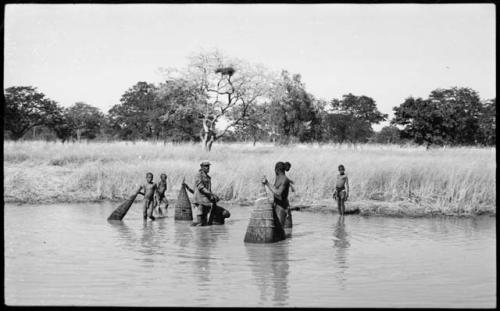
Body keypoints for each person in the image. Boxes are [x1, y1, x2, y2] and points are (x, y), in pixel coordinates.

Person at [262, 162, 291, 227]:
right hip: (279, 207)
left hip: (282, 209)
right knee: (284, 233)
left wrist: (267, 183)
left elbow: (278, 192)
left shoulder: (284, 179)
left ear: (276, 170)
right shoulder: (279, 177)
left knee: (280, 233)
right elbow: (275, 188)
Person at [191, 161, 219, 226]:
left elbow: (208, 189)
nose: (208, 168)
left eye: (208, 166)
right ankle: (198, 230)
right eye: (206, 166)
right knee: (200, 215)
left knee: (205, 219)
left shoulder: (208, 177)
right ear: (202, 167)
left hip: (206, 199)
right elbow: (201, 187)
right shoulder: (198, 175)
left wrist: (213, 195)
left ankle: (202, 232)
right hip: (199, 198)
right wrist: (211, 194)